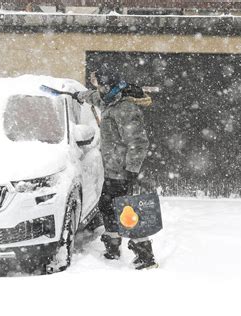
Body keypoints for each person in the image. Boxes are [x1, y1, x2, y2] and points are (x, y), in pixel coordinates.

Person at [74, 63, 158, 270]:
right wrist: (79, 95)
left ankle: (146, 257)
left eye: (97, 83)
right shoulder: (110, 99)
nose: (95, 86)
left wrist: (131, 169)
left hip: (122, 170)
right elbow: (95, 97)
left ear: (106, 84)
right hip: (112, 169)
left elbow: (139, 143)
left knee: (127, 210)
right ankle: (112, 247)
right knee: (107, 207)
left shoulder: (125, 108)